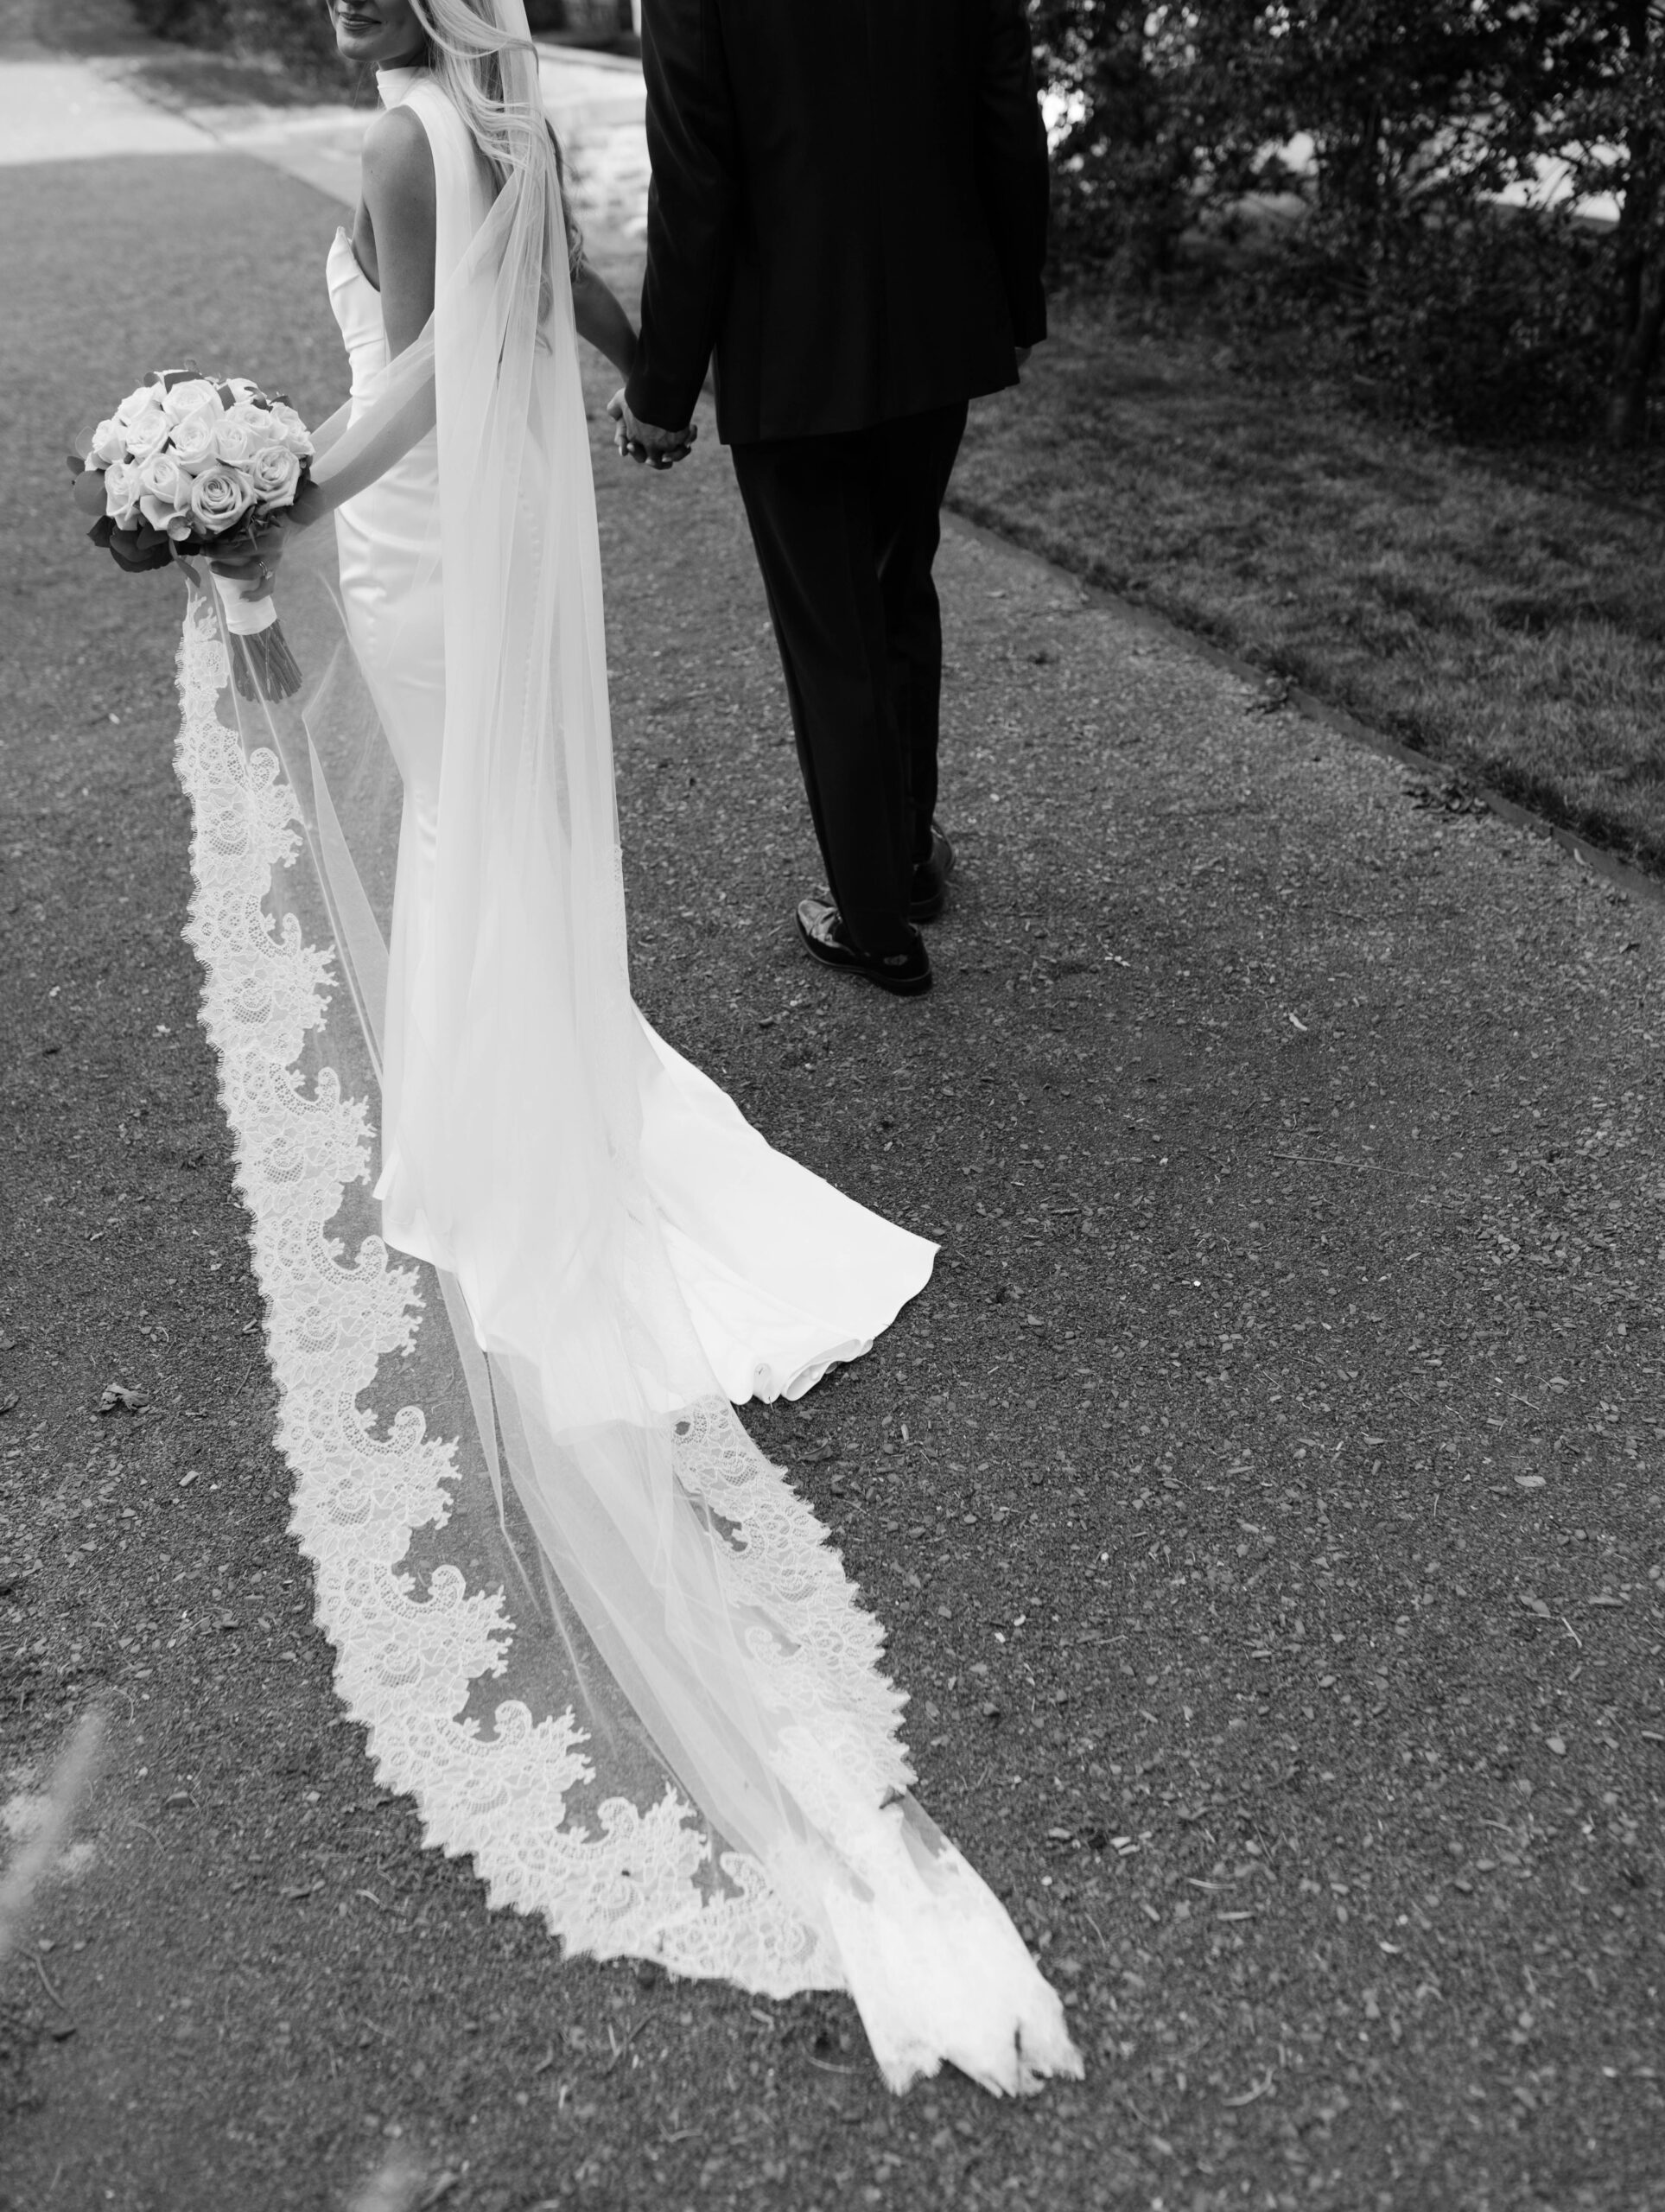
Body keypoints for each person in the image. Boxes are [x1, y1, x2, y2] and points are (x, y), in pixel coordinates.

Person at [180, 0, 1080, 2097]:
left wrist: (276, 484)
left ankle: (690, 989)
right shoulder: (489, 115)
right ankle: (768, 929)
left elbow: (426, 355)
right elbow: (568, 284)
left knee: (527, 776)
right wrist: (634, 382)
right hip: (787, 393)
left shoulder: (425, 132)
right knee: (804, 639)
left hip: (459, 504)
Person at [614, 0, 1051, 997]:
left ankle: (876, 923)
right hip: (937, 327)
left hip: (790, 348)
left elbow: (693, 181)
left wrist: (660, 391)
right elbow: (1007, 119)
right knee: (899, 586)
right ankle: (900, 857)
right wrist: (1014, 304)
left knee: (831, 632)